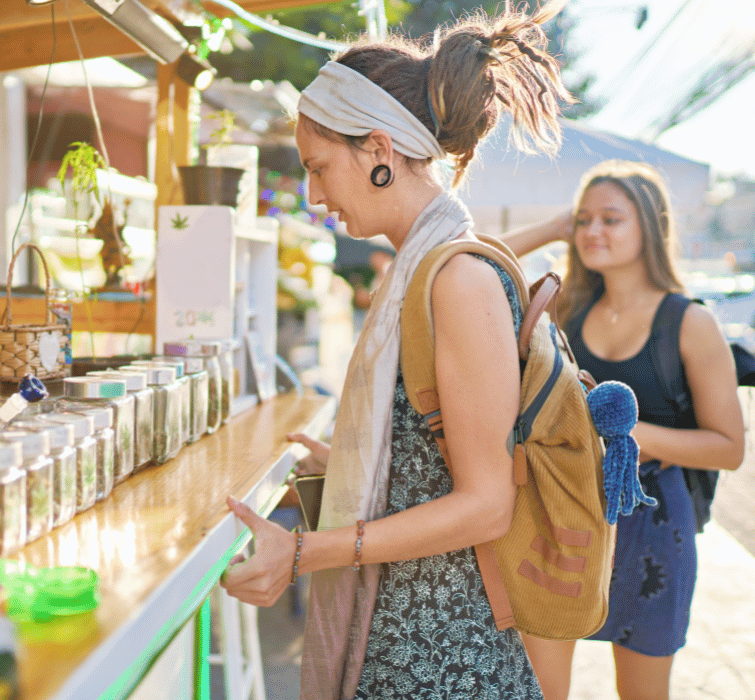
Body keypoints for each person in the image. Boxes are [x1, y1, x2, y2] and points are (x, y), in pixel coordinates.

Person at [219, 3, 574, 698]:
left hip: (445, 661)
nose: (315, 195)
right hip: (409, 645)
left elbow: (486, 505)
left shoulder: (457, 279)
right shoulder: (421, 268)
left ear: (380, 152)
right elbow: (445, 458)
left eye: (320, 168)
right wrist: (359, 463)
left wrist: (304, 552)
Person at [500, 160, 745, 700]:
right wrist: (549, 228)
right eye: (582, 219)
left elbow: (729, 449)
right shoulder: (561, 307)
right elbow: (479, 268)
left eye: (611, 219)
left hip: (654, 526)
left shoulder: (691, 323)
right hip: (560, 514)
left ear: (650, 228)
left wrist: (625, 438)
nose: (591, 232)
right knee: (538, 692)